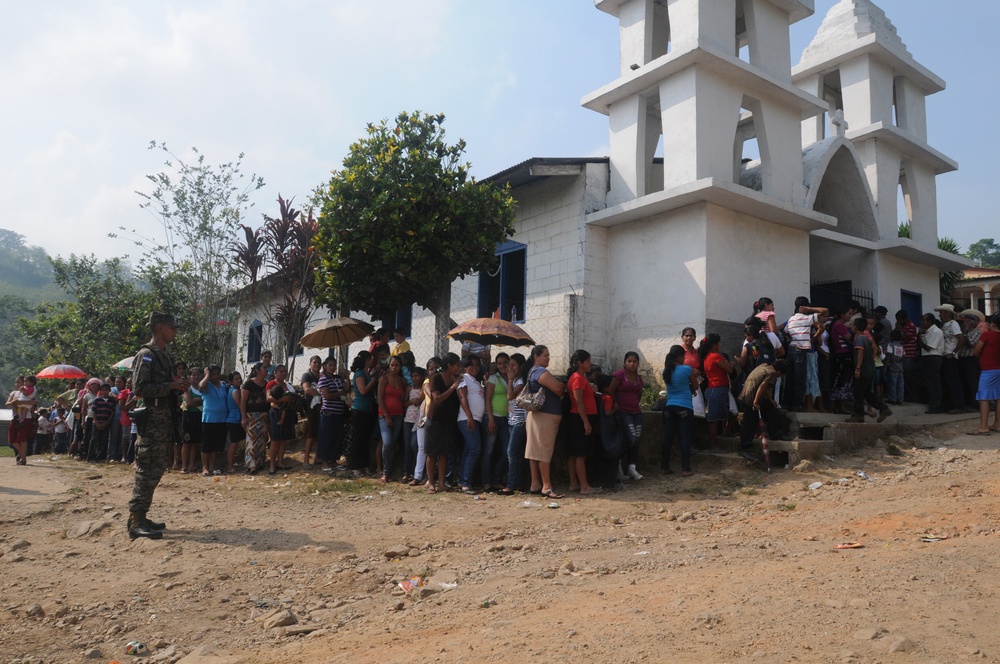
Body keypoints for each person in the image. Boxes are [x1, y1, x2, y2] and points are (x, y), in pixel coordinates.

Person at [127, 312, 189, 540]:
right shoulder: (146, 355)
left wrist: (177, 386)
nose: (175, 332)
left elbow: (166, 384)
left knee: (158, 465)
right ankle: (136, 520)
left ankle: (140, 516)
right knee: (147, 466)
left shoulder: (165, 356)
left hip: (164, 417)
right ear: (161, 328)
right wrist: (170, 386)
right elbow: (140, 387)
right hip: (152, 417)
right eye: (172, 328)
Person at [524, 345, 566, 499]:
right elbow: (558, 389)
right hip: (545, 417)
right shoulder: (541, 372)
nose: (548, 358)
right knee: (543, 452)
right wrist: (561, 385)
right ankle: (546, 486)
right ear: (536, 356)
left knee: (535, 452)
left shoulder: (532, 371)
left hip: (538, 416)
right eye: (545, 355)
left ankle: (535, 484)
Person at [425, 353, 462, 494]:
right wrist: (453, 386)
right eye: (457, 365)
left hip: (449, 422)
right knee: (432, 454)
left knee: (444, 454)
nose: (459, 367)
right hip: (434, 421)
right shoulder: (437, 378)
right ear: (449, 366)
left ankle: (441, 483)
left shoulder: (455, 378)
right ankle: (431, 484)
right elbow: (437, 399)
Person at [782, 297, 827, 412]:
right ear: (804, 307)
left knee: (790, 379)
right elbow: (825, 311)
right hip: (801, 351)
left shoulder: (791, 319)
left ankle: (786, 404)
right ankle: (796, 405)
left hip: (791, 349)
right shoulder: (807, 318)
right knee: (800, 380)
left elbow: (786, 331)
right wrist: (810, 308)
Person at [737, 359, 787, 463]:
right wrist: (755, 402)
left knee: (771, 408)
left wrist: (770, 399)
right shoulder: (772, 373)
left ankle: (774, 432)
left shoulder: (764, 366)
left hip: (749, 394)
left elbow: (766, 387)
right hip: (751, 398)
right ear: (779, 373)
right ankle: (744, 447)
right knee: (750, 422)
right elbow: (763, 385)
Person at [566, 349, 602, 495]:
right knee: (581, 454)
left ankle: (574, 483)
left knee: (574, 453)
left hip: (579, 418)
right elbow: (578, 401)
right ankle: (584, 486)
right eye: (587, 361)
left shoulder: (580, 378)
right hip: (580, 419)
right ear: (580, 363)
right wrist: (586, 422)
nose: (590, 363)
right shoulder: (578, 379)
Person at [845, 318, 892, 423]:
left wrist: (858, 368)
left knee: (858, 393)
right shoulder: (866, 338)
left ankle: (859, 415)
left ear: (855, 327)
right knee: (866, 392)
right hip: (869, 369)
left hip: (863, 370)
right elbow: (874, 348)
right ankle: (883, 408)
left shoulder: (859, 339)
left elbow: (860, 354)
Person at [661, 345, 699, 476]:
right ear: (680, 357)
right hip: (684, 406)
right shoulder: (686, 369)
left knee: (668, 437)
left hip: (669, 406)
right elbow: (695, 385)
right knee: (684, 438)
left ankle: (664, 467)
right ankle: (686, 469)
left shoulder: (666, 371)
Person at [608, 351, 644, 481]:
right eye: (629, 361)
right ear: (625, 362)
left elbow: (639, 393)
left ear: (638, 363)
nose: (632, 364)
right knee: (631, 438)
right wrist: (615, 404)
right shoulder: (619, 375)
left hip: (636, 412)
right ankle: (617, 465)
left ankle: (632, 468)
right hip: (623, 412)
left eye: (634, 361)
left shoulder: (639, 378)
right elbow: (610, 391)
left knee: (637, 440)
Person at [699, 334, 734, 450]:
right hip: (717, 387)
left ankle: (717, 441)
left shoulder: (707, 356)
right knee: (714, 418)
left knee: (718, 416)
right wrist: (730, 365)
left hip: (715, 388)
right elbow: (729, 370)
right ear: (715, 345)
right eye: (718, 343)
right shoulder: (715, 356)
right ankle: (713, 444)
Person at [347, 351, 380, 476]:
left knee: (365, 439)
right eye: (371, 358)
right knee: (358, 439)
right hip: (359, 410)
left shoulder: (367, 373)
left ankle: (364, 465)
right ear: (367, 359)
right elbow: (363, 390)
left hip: (367, 410)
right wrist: (373, 380)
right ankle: (355, 466)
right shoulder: (359, 374)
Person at [457, 356, 486, 493]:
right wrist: (469, 417)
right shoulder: (464, 378)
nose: (475, 367)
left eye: (477, 365)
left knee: (468, 450)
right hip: (467, 418)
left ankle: (462, 480)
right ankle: (466, 483)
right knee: (475, 449)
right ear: (466, 366)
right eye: (472, 364)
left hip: (475, 419)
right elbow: (462, 397)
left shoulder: (476, 381)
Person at [376, 355, 407, 482]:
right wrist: (387, 416)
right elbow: (380, 398)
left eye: (397, 365)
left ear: (400, 367)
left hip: (399, 415)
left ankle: (389, 471)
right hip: (384, 415)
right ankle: (385, 471)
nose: (394, 368)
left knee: (392, 444)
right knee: (387, 443)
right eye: (392, 365)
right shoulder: (384, 379)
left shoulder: (402, 381)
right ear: (389, 366)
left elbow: (403, 398)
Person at [483, 352, 510, 492]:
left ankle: (496, 479)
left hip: (506, 419)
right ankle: (486, 482)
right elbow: (487, 399)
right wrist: (491, 419)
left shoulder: (512, 377)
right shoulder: (493, 378)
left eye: (505, 362)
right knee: (489, 451)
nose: (502, 365)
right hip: (493, 417)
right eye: (499, 363)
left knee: (507, 450)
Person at [969, 313, 1000, 435]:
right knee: (998, 397)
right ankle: (998, 424)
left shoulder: (987, 335)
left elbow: (976, 351)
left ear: (992, 324)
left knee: (984, 397)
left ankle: (983, 427)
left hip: (988, 369)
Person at [501, 353, 527, 495]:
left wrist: (509, 379)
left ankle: (511, 485)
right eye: (508, 365)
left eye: (513, 365)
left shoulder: (520, 381)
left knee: (511, 452)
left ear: (520, 366)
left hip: (519, 421)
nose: (509, 367)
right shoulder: (515, 379)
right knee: (516, 453)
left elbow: (511, 396)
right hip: (512, 419)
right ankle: (518, 484)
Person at [316, 357, 348, 472]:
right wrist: (339, 393)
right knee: (326, 438)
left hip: (339, 412)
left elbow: (347, 388)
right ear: (325, 366)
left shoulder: (338, 379)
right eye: (330, 365)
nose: (332, 368)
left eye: (334, 365)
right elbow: (326, 395)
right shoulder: (323, 379)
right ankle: (325, 462)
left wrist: (347, 377)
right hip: (328, 412)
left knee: (336, 437)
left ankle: (334, 461)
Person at [197, 365, 229, 476]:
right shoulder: (207, 385)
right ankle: (204, 467)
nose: (216, 376)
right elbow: (200, 386)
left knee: (216, 445)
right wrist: (207, 375)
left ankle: (212, 467)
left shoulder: (223, 385)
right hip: (209, 419)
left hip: (221, 419)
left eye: (217, 374)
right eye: (213, 374)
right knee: (206, 445)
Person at [266, 365, 297, 475]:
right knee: (275, 439)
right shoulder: (271, 384)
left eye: (285, 371)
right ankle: (272, 465)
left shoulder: (288, 385)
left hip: (287, 413)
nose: (283, 373)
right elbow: (268, 398)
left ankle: (280, 462)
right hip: (276, 413)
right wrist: (282, 399)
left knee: (284, 439)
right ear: (275, 373)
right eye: (281, 371)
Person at [241, 363, 271, 474]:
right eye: (264, 368)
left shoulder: (267, 384)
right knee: (252, 439)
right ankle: (251, 465)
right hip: (252, 415)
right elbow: (243, 401)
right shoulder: (248, 384)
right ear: (257, 370)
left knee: (262, 439)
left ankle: (259, 463)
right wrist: (243, 417)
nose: (266, 370)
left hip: (264, 415)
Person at [935, 304, 965, 414]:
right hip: (945, 355)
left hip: (950, 356)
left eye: (942, 312)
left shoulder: (953, 324)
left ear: (947, 313)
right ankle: (951, 405)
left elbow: (961, 339)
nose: (940, 314)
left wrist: (953, 353)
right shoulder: (945, 325)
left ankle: (959, 405)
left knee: (953, 381)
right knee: (948, 381)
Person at [958, 309, 985, 410]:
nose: (964, 323)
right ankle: (967, 402)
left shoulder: (977, 331)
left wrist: (965, 333)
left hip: (971, 360)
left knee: (972, 382)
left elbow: (971, 343)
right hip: (962, 358)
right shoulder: (964, 331)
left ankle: (975, 404)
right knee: (964, 381)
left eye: (965, 321)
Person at [300, 355, 323, 469]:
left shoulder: (322, 376)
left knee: (320, 432)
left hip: (322, 407)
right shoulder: (307, 375)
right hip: (311, 408)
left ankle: (318, 457)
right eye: (315, 362)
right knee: (311, 433)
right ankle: (306, 460)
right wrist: (322, 392)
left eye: (319, 363)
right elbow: (307, 390)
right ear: (310, 364)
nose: (317, 365)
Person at [919, 313, 945, 414]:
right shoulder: (927, 331)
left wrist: (920, 337)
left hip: (933, 357)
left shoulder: (936, 331)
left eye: (924, 320)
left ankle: (936, 405)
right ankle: (933, 404)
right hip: (927, 357)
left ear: (929, 321)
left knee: (934, 383)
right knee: (929, 382)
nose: (922, 323)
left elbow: (928, 347)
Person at [180, 368, 203, 473]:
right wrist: (198, 401)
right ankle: (184, 466)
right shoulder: (187, 388)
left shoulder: (202, 388)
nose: (196, 377)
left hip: (199, 415)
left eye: (198, 375)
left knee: (195, 442)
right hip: (189, 416)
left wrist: (197, 401)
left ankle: (191, 465)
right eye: (193, 375)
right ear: (189, 376)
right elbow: (189, 402)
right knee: (187, 441)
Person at [224, 372, 246, 474]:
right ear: (231, 381)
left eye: (239, 378)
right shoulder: (236, 391)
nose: (239, 380)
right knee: (233, 444)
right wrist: (244, 418)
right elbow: (240, 405)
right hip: (235, 420)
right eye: (236, 379)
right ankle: (229, 466)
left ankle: (232, 463)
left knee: (235, 443)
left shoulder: (233, 390)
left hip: (234, 419)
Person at [89, 383, 116, 462]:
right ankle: (91, 457)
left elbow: (112, 413)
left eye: (106, 390)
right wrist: (96, 422)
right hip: (96, 423)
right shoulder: (97, 400)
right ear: (100, 391)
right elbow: (94, 412)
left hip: (106, 424)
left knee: (103, 440)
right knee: (94, 439)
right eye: (103, 390)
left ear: (109, 391)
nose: (105, 392)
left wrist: (107, 423)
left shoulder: (111, 401)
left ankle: (100, 457)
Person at [884, 330, 906, 406]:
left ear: (891, 337)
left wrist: (886, 366)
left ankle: (892, 399)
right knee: (900, 384)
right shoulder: (901, 346)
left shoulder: (890, 345)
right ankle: (900, 399)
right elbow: (903, 357)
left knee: (892, 383)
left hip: (893, 367)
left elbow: (889, 356)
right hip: (900, 367)